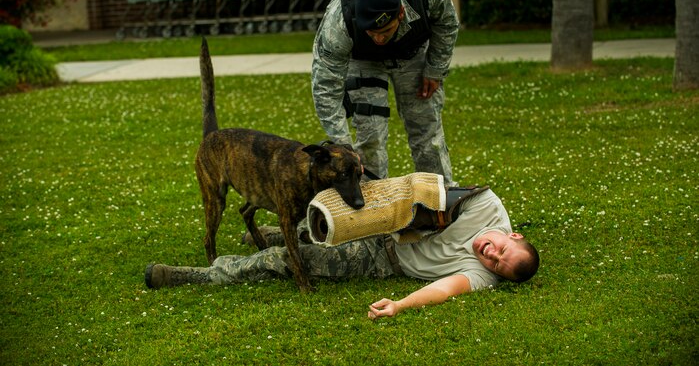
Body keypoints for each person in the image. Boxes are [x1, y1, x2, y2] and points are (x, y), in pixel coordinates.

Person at [145, 183, 539, 320]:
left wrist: (400, 304)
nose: (492, 256)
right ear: (514, 234)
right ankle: (277, 233)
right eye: (503, 249)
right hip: (388, 219)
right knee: (315, 224)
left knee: (290, 261)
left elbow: (445, 289)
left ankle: (199, 274)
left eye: (498, 266)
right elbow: (429, 191)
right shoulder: (487, 205)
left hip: (385, 258)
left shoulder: (482, 276)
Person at [311, 0, 459, 185]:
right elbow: (325, 86)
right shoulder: (339, 22)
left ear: (400, 13)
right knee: (370, 135)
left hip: (413, 51)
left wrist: (435, 69)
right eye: (372, 32)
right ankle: (373, 203)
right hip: (364, 60)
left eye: (385, 30)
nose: (379, 39)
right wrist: (342, 146)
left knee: (427, 131)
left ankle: (439, 198)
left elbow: (447, 23)